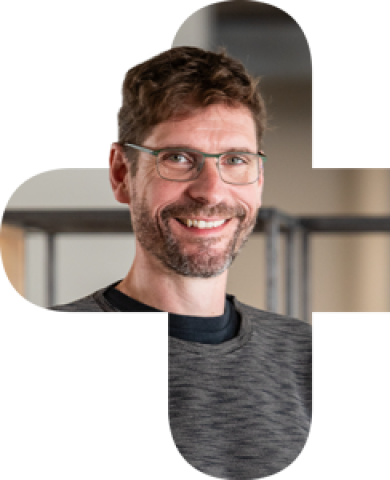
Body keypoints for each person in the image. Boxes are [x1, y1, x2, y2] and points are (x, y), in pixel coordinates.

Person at [45, 46, 313, 479]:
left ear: (259, 178)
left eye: (235, 160)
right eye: (178, 158)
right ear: (121, 173)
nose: (211, 191)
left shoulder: (305, 356)